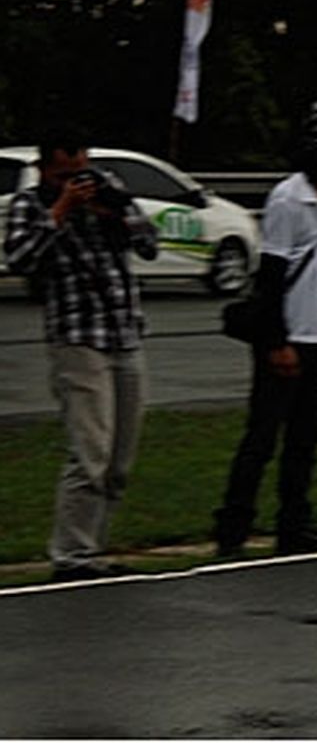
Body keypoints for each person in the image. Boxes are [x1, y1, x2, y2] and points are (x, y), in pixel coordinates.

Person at [2, 136, 159, 581]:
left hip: (125, 334)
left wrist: (116, 211)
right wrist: (62, 209)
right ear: (43, 168)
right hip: (77, 338)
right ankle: (71, 556)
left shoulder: (106, 190)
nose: (76, 181)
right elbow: (20, 259)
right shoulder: (28, 205)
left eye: (80, 171)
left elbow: (150, 244)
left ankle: (95, 549)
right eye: (63, 175)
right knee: (90, 451)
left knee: (120, 459)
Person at [212, 101, 317, 557]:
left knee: (304, 442)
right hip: (286, 340)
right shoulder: (287, 199)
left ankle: (294, 524)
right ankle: (233, 528)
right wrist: (277, 342)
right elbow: (273, 276)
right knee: (262, 438)